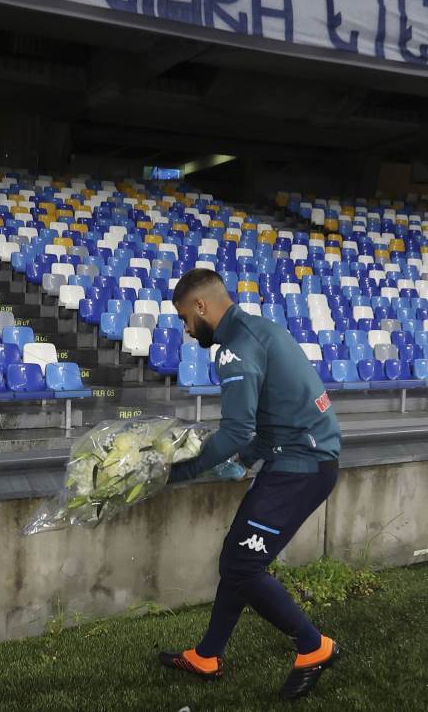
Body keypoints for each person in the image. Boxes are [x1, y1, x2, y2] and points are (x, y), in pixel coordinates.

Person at [159, 268, 342, 701]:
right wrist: (246, 459)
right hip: (296, 461)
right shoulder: (259, 329)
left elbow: (236, 431)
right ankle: (208, 655)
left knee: (241, 566)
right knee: (237, 558)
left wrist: (177, 473)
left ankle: (314, 646)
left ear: (201, 306)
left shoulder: (235, 347)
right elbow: (273, 415)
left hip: (302, 467)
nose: (186, 329)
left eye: (185, 318)